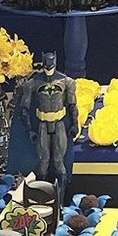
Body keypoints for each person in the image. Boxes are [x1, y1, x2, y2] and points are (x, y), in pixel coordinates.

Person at [20, 51, 78, 195]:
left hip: (59, 123)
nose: (48, 67)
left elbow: (72, 105)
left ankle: (61, 195)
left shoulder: (67, 81)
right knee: (43, 161)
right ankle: (42, 195)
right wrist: (29, 130)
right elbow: (24, 109)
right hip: (43, 124)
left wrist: (75, 123)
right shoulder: (32, 83)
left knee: (58, 160)